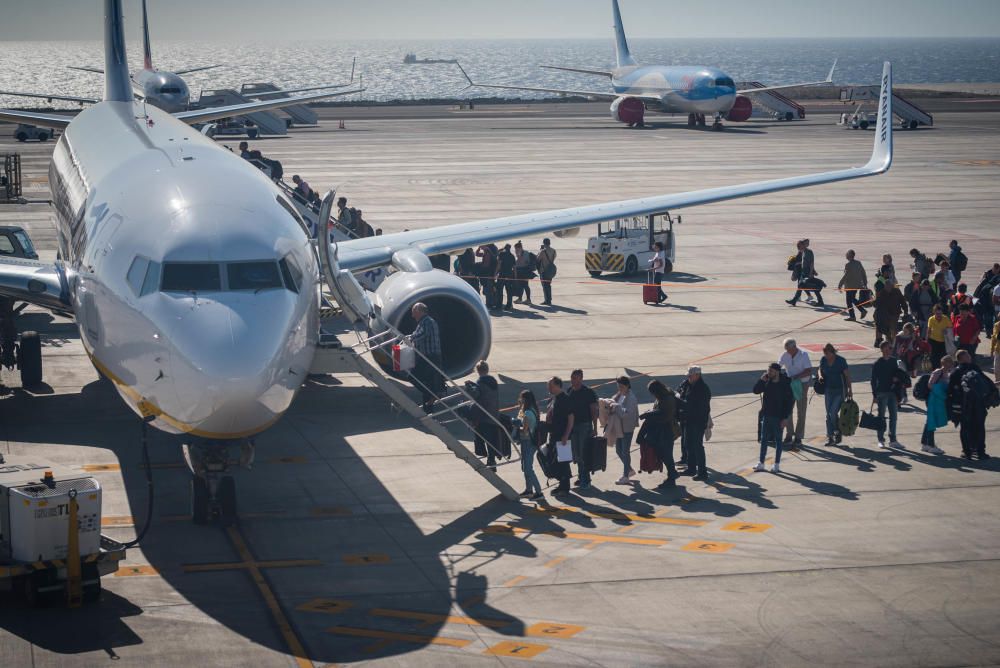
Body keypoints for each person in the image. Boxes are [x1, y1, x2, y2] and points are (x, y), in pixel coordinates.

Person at [947, 350, 996, 460]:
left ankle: (967, 452)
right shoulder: (975, 368)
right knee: (979, 427)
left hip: (964, 406)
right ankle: (980, 452)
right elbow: (986, 382)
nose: (970, 357)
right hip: (978, 404)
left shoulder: (955, 372)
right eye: (967, 355)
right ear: (962, 358)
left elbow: (950, 390)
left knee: (965, 428)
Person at [752, 363, 793, 473]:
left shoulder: (785, 384)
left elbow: (789, 402)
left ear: (777, 372)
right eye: (768, 371)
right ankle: (761, 463)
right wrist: (761, 380)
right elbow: (755, 391)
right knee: (764, 439)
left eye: (771, 371)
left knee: (778, 441)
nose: (768, 373)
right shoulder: (767, 382)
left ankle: (776, 464)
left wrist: (785, 418)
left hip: (778, 417)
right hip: (766, 415)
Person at [640, 380, 679, 488]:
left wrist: (649, 415)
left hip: (666, 431)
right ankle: (672, 474)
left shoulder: (667, 399)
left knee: (666, 454)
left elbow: (664, 415)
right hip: (662, 430)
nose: (652, 394)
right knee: (664, 454)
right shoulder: (662, 397)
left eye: (652, 392)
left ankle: (672, 476)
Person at [406, 302, 443, 413]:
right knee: (427, 383)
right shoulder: (423, 322)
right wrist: (408, 337)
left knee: (412, 377)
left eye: (414, 313)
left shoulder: (427, 322)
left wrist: (409, 338)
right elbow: (416, 334)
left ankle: (433, 394)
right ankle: (428, 410)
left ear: (420, 311)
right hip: (429, 356)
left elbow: (422, 334)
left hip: (429, 357)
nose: (413, 316)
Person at [677, 366, 712, 481]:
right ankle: (691, 468)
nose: (688, 377)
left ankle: (702, 472)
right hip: (688, 420)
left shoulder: (703, 389)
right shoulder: (688, 385)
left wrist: (683, 403)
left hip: (697, 422)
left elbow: (699, 407)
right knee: (688, 444)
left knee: (697, 446)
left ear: (697, 375)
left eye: (690, 375)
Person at [566, 370, 598, 490]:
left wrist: (595, 427)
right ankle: (581, 476)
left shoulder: (588, 392)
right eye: (572, 378)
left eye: (575, 378)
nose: (572, 380)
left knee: (583, 453)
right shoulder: (569, 391)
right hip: (573, 426)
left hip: (584, 426)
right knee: (576, 454)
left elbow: (594, 411)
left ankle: (586, 479)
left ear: (581, 379)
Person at [779, 338, 812, 448]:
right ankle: (789, 434)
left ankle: (798, 436)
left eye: (788, 349)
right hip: (790, 385)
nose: (787, 351)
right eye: (786, 349)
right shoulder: (785, 355)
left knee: (801, 411)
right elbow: (778, 366)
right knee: (788, 411)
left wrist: (796, 377)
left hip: (802, 384)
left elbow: (808, 370)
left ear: (794, 347)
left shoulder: (804, 355)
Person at [871, 341, 904, 449]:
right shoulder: (878, 363)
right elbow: (873, 380)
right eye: (888, 348)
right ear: (882, 350)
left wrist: (898, 380)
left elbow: (899, 374)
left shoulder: (894, 361)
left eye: (890, 348)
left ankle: (893, 439)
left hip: (893, 393)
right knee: (881, 417)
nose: (889, 350)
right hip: (881, 393)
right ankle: (880, 439)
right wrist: (874, 395)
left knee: (893, 417)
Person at [470, 361, 501, 470]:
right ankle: (491, 460)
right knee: (491, 439)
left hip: (484, 415)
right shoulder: (493, 382)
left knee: (482, 436)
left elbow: (478, 396)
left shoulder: (480, 382)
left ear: (478, 371)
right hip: (494, 413)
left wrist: (470, 388)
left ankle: (488, 458)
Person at [546, 376, 574, 495]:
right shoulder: (555, 398)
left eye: (551, 386)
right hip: (555, 434)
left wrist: (566, 435)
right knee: (557, 461)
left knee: (563, 461)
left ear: (558, 386)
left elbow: (571, 418)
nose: (549, 388)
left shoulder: (565, 399)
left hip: (562, 436)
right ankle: (562, 485)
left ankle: (565, 487)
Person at [818, 344, 851, 446]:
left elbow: (847, 376)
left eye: (827, 353)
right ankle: (830, 437)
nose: (826, 355)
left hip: (840, 391)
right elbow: (820, 369)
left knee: (833, 412)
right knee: (828, 414)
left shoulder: (841, 361)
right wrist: (820, 376)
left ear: (832, 352)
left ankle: (837, 430)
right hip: (828, 390)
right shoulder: (823, 360)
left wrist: (850, 390)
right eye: (825, 353)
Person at [921, 355, 953, 455]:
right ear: (943, 363)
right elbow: (930, 385)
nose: (951, 364)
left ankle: (925, 443)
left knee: (930, 421)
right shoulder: (938, 372)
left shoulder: (947, 373)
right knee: (931, 422)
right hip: (934, 399)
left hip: (939, 400)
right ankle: (931, 445)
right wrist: (941, 393)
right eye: (949, 362)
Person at [610, 376, 640, 484]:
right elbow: (615, 401)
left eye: (621, 386)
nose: (619, 388)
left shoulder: (631, 398)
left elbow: (625, 414)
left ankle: (626, 475)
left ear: (627, 386)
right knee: (619, 450)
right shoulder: (622, 394)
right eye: (618, 386)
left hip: (627, 427)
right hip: (620, 427)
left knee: (625, 451)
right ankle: (630, 470)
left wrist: (616, 406)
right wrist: (615, 399)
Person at [515, 389, 543, 501]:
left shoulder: (527, 413)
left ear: (525, 399)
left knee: (528, 468)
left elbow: (525, 430)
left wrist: (516, 426)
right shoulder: (533, 410)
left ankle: (538, 492)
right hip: (530, 442)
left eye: (521, 398)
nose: (519, 400)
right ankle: (529, 490)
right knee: (526, 467)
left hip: (528, 442)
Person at [786, 240, 822, 307]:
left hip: (808, 273)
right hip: (803, 272)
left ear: (803, 245)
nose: (798, 247)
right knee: (800, 286)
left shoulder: (809, 252)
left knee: (813, 287)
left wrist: (812, 272)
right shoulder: (803, 251)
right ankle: (794, 300)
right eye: (797, 246)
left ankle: (820, 301)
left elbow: (811, 263)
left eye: (799, 245)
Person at [874, 280, 907, 348]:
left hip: (895, 314)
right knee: (887, 330)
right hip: (886, 315)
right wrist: (872, 301)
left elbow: (902, 300)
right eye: (886, 286)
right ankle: (890, 344)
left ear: (892, 286)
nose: (888, 288)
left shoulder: (897, 291)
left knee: (893, 329)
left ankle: (894, 344)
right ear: (885, 286)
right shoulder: (882, 293)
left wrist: (905, 310)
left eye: (889, 286)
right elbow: (876, 304)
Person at [838, 250, 869, 321]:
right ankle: (856, 314)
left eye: (847, 254)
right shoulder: (858, 263)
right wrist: (865, 283)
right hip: (857, 285)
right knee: (852, 299)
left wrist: (840, 284)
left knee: (850, 300)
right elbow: (863, 273)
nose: (846, 255)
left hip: (850, 286)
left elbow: (845, 276)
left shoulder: (848, 265)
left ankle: (859, 312)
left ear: (850, 255)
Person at [926, 304, 951, 369]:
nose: (939, 315)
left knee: (943, 357)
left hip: (943, 341)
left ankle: (943, 369)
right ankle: (934, 370)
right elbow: (928, 330)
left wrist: (947, 331)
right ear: (934, 312)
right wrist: (927, 341)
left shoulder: (946, 318)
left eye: (940, 313)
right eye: (937, 313)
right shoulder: (931, 319)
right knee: (933, 357)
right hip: (933, 340)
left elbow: (950, 329)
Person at [476, 244, 498, 309]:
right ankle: (490, 303)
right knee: (486, 290)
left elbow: (493, 258)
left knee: (489, 290)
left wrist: (487, 249)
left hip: (489, 274)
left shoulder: (490, 253)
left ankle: (490, 304)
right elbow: (477, 254)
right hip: (485, 274)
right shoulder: (486, 253)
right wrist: (479, 248)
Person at [537, 238, 557, 306]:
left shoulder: (543, 251)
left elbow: (538, 259)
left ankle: (547, 300)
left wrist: (540, 250)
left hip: (544, 270)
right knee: (548, 285)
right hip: (550, 270)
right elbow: (553, 258)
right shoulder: (554, 251)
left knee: (545, 286)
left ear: (544, 243)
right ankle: (549, 299)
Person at [497, 244, 517, 311]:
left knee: (500, 290)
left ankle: (499, 305)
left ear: (505, 248)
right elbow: (514, 268)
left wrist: (495, 273)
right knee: (509, 291)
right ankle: (509, 305)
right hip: (509, 275)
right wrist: (515, 277)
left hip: (502, 274)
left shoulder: (501, 254)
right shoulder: (512, 256)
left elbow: (499, 264)